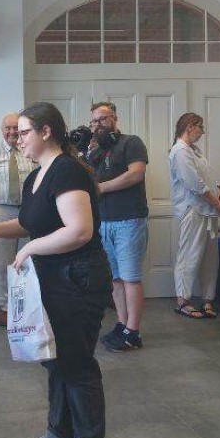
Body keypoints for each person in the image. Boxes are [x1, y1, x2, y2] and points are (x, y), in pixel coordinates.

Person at [0, 102, 112, 438]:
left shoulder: (66, 169)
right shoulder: (37, 175)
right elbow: (28, 222)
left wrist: (30, 248)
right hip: (51, 280)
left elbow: (78, 230)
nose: (18, 139)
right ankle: (59, 435)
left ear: (47, 131)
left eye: (24, 132)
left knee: (76, 364)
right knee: (54, 359)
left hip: (78, 278)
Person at [87, 102, 149, 352]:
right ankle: (123, 325)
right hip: (104, 222)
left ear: (115, 118)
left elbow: (136, 174)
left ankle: (133, 332)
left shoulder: (131, 142)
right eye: (94, 121)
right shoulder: (95, 151)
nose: (98, 124)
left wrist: (102, 187)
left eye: (103, 119)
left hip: (129, 220)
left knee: (130, 277)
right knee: (115, 279)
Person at [169, 113, 220, 319]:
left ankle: (207, 299)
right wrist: (218, 204)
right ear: (189, 126)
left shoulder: (195, 151)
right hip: (192, 210)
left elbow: (210, 179)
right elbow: (194, 184)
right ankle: (183, 301)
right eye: (200, 127)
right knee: (189, 256)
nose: (202, 132)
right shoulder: (179, 151)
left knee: (210, 259)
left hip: (208, 210)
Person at [0, 113, 36, 326]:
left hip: (28, 212)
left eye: (15, 127)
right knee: (5, 263)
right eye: (7, 128)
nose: (12, 132)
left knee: (27, 261)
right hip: (2, 212)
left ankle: (26, 307)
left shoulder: (30, 151)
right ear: (2, 130)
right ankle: (5, 307)